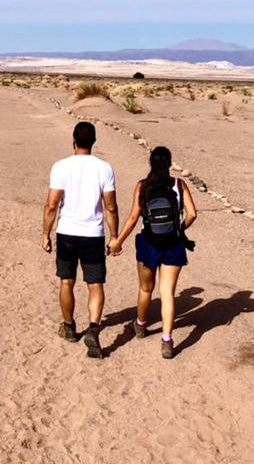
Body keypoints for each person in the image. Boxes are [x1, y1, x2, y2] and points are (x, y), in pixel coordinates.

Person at [109, 146, 198, 359]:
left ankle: (140, 325)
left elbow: (132, 218)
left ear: (150, 163)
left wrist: (118, 242)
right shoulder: (179, 184)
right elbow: (193, 213)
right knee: (167, 293)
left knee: (145, 289)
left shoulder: (143, 186)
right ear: (169, 164)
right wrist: (179, 229)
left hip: (148, 243)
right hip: (173, 244)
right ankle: (167, 341)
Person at [42, 121, 119, 359]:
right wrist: (114, 236)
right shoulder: (104, 168)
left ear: (74, 141)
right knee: (95, 284)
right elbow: (111, 207)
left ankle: (69, 326)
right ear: (93, 141)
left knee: (66, 281)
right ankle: (94, 328)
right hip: (93, 233)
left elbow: (52, 204)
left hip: (67, 231)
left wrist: (45, 233)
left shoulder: (61, 167)